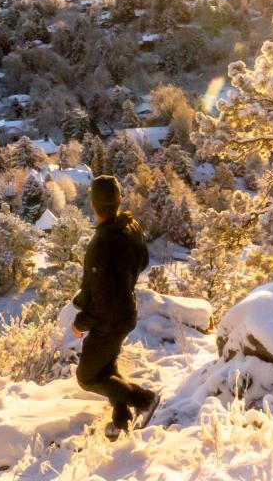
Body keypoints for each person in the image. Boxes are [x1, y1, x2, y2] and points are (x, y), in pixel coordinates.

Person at [72, 174, 159, 439]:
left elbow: (102, 303)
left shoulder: (100, 245)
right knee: (106, 367)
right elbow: (142, 262)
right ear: (119, 200)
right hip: (126, 312)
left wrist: (80, 322)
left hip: (109, 321)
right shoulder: (131, 228)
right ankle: (121, 420)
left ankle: (144, 400)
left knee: (87, 377)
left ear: (93, 205)